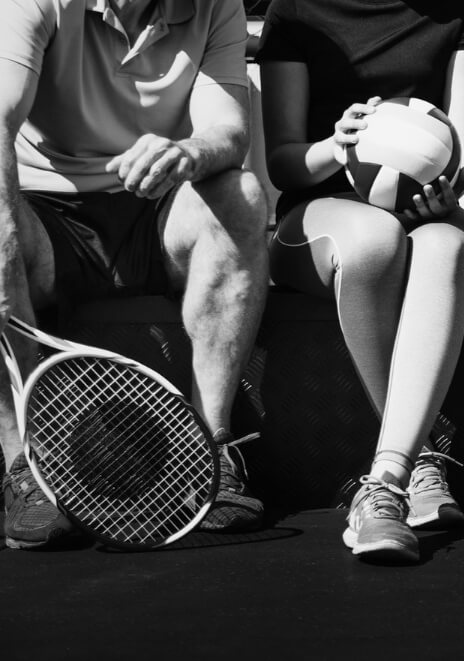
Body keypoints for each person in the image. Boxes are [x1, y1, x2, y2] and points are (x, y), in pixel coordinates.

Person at [0, 0, 270, 549]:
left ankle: (210, 455)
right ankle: (23, 467)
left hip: (156, 209)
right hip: (47, 216)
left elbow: (229, 130)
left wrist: (188, 152)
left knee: (240, 195)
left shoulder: (217, 5)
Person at [257, 0, 464, 562]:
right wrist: (337, 148)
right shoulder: (295, 9)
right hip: (319, 212)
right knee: (375, 241)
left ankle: (387, 481)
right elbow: (283, 164)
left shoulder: (459, 9)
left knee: (449, 243)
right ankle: (422, 457)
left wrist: (448, 184)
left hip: (419, 206)